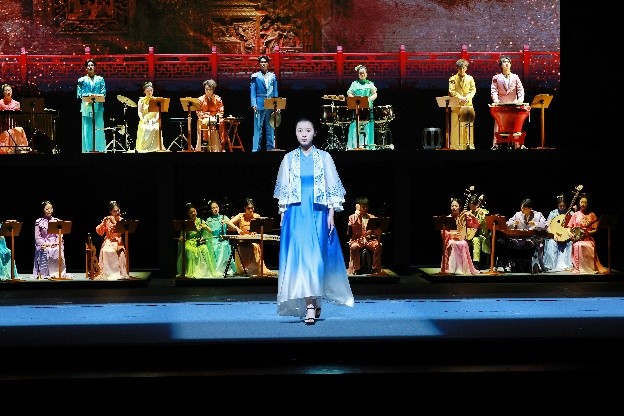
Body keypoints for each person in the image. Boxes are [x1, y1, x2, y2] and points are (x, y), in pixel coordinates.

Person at [274, 117, 354, 325]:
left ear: (315, 133)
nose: (303, 134)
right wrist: (283, 213)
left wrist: (331, 213)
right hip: (296, 212)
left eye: (308, 130)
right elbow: (284, 189)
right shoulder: (289, 159)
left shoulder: (324, 157)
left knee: (317, 259)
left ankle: (316, 299)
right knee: (302, 258)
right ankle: (309, 304)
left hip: (318, 211)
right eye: (300, 130)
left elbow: (332, 186)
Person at [229, 198, 277, 277]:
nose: (251, 210)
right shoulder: (240, 215)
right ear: (245, 208)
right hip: (243, 240)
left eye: (252, 208)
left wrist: (256, 231)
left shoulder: (256, 216)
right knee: (242, 247)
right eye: (248, 208)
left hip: (252, 239)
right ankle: (244, 269)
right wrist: (237, 229)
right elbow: (229, 222)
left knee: (255, 246)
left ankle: (254, 269)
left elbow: (260, 227)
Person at [501, 198, 547, 273]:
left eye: (524, 208)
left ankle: (528, 265)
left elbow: (545, 225)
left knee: (528, 244)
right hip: (519, 239)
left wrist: (536, 223)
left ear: (530, 208)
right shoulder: (517, 214)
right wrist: (513, 223)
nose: (522, 210)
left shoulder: (538, 215)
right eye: (521, 207)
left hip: (532, 239)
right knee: (512, 243)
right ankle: (515, 264)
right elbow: (507, 224)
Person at [490, 55, 525, 150]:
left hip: (513, 104)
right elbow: (494, 91)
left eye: (508, 62)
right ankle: (496, 144)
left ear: (510, 64)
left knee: (515, 126)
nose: (506, 63)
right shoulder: (496, 77)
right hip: (501, 105)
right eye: (504, 62)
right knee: (498, 125)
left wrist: (520, 100)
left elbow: (520, 90)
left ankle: (517, 145)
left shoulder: (515, 77)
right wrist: (496, 101)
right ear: (501, 65)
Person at [568, 194, 608, 275]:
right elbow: (569, 228)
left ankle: (589, 268)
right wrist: (571, 234)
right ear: (579, 203)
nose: (583, 204)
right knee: (578, 245)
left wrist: (587, 232)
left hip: (588, 239)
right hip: (578, 239)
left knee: (586, 245)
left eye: (585, 202)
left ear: (587, 204)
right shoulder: (575, 214)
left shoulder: (592, 215)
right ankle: (579, 268)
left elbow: (596, 229)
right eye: (581, 202)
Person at [177, 203, 218, 278]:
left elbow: (211, 231)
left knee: (204, 248)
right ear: (188, 214)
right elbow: (183, 235)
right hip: (190, 241)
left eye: (194, 211)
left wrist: (205, 227)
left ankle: (204, 271)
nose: (193, 213)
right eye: (191, 212)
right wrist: (181, 238)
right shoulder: (187, 223)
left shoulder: (200, 221)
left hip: (199, 241)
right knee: (189, 249)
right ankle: (191, 272)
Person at [440, 197, 480, 275]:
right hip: (450, 240)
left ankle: (462, 268)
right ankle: (451, 269)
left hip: (461, 240)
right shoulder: (448, 218)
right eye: (452, 206)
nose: (454, 208)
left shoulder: (463, 217)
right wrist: (451, 234)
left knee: (463, 243)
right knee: (453, 243)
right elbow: (443, 232)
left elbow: (475, 225)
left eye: (456, 206)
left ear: (460, 207)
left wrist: (472, 216)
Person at [33, 200, 72, 279]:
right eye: (47, 209)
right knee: (46, 250)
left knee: (57, 249)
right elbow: (37, 237)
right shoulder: (38, 222)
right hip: (43, 244)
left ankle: (58, 273)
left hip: (55, 244)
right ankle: (45, 273)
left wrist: (55, 244)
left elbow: (59, 236)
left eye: (50, 208)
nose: (49, 210)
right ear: (43, 210)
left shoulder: (57, 221)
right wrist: (45, 244)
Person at [347, 196, 384, 275]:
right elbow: (354, 231)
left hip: (369, 240)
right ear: (358, 206)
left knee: (379, 245)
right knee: (354, 247)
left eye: (366, 207)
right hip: (357, 240)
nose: (365, 208)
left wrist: (378, 232)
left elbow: (376, 231)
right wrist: (357, 215)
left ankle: (375, 268)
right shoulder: (352, 217)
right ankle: (356, 268)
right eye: (363, 207)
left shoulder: (372, 217)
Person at [250, 55, 279, 152]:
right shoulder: (255, 76)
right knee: (258, 127)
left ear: (268, 64)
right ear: (259, 64)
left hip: (270, 103)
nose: (263, 64)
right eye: (261, 62)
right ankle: (256, 148)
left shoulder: (272, 76)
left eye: (265, 62)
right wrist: (253, 104)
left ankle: (270, 147)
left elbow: (275, 91)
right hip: (259, 103)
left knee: (270, 126)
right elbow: (253, 92)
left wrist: (276, 104)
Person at [204, 200, 240, 277]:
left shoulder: (223, 217)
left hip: (224, 239)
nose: (215, 209)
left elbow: (230, 223)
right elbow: (207, 232)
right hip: (214, 240)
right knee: (215, 246)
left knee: (224, 245)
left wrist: (237, 228)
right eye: (213, 208)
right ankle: (217, 269)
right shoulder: (209, 220)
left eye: (216, 207)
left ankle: (226, 269)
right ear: (210, 210)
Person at [77, 58, 106, 153]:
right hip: (86, 107)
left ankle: (99, 149)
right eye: (88, 65)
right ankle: (88, 149)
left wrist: (96, 96)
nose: (90, 67)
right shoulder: (81, 80)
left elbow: (103, 92)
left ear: (94, 67)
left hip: (98, 106)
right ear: (86, 68)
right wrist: (88, 95)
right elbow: (79, 94)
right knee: (87, 128)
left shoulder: (100, 79)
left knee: (99, 128)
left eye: (92, 65)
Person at [94, 200, 128, 280]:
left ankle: (118, 273)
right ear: (111, 212)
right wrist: (103, 222)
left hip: (118, 242)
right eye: (115, 211)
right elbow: (100, 232)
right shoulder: (107, 220)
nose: (117, 212)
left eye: (118, 210)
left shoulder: (121, 220)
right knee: (105, 251)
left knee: (120, 253)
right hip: (108, 241)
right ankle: (108, 274)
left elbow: (120, 231)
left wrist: (114, 222)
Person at [346, 64, 377, 150]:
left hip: (367, 108)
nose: (362, 74)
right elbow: (349, 93)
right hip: (357, 108)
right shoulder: (354, 84)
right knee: (355, 127)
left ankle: (368, 146)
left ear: (366, 73)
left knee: (367, 126)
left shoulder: (370, 84)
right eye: (360, 73)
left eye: (363, 73)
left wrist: (369, 99)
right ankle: (354, 146)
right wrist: (355, 99)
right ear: (358, 74)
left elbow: (375, 94)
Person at [448, 59, 476, 150]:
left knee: (468, 126)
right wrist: (460, 97)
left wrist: (467, 97)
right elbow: (452, 91)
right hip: (457, 105)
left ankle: (469, 145)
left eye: (464, 68)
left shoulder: (470, 78)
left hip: (468, 105)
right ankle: (456, 146)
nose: (462, 70)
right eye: (460, 68)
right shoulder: (452, 79)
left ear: (466, 68)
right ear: (457, 68)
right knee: (456, 126)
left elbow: (473, 90)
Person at [543, 194, 574, 272]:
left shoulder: (570, 213)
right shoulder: (553, 213)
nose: (562, 207)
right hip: (555, 237)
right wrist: (553, 235)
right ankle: (551, 265)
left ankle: (567, 265)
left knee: (571, 243)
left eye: (564, 206)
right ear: (557, 205)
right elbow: (548, 226)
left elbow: (574, 226)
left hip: (567, 238)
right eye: (560, 206)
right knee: (551, 243)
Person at [196, 79, 225, 152]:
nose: (208, 91)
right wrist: (206, 116)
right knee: (205, 122)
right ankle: (205, 143)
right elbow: (198, 112)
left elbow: (221, 111)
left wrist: (216, 117)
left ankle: (222, 144)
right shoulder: (200, 99)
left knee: (221, 121)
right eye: (206, 89)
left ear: (213, 90)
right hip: (204, 118)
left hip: (215, 117)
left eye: (210, 89)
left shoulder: (218, 99)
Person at [0, 83, 30, 154]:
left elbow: (18, 117)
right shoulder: (0, 103)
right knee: (9, 132)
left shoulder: (16, 103)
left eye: (10, 90)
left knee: (20, 129)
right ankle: (9, 150)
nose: (8, 92)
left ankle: (18, 149)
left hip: (13, 124)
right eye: (6, 90)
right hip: (2, 125)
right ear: (3, 92)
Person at [465, 194, 491, 270]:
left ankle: (476, 263)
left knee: (476, 240)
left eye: (473, 206)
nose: (472, 208)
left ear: (477, 205)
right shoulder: (469, 212)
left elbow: (479, 224)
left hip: (482, 236)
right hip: (470, 235)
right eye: (470, 206)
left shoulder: (483, 212)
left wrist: (474, 216)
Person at [136, 81, 161, 152]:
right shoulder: (141, 100)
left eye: (151, 90)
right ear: (144, 91)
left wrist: (155, 120)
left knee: (156, 128)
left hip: (153, 120)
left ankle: (155, 148)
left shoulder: (156, 100)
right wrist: (143, 119)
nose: (149, 92)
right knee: (146, 128)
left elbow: (158, 112)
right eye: (147, 91)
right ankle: (144, 148)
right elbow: (139, 112)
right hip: (145, 119)